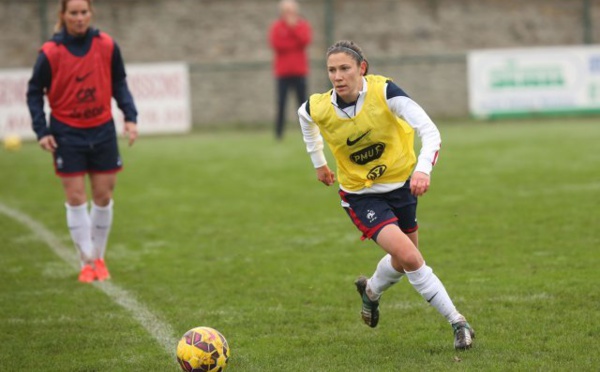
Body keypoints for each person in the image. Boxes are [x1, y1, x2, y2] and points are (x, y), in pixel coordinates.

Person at [297, 40, 475, 350]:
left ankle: (371, 292)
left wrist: (423, 170)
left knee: (403, 259)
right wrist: (319, 164)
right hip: (361, 195)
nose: (337, 76)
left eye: (344, 69)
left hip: (402, 186)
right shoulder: (320, 106)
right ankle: (458, 321)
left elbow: (429, 130)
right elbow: (305, 118)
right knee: (410, 257)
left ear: (361, 68)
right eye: (331, 70)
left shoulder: (385, 92)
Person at [26, 0, 138, 283]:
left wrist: (130, 116)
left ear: (91, 13)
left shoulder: (107, 45)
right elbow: (33, 92)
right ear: (63, 15)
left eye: (83, 12)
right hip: (67, 133)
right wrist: (42, 130)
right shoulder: (51, 52)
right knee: (76, 198)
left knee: (103, 197)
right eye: (73, 13)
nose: (79, 18)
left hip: (102, 130)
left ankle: (98, 258)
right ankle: (86, 262)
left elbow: (119, 82)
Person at [269, 0, 312, 140]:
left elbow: (305, 41)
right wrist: (292, 41)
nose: (289, 14)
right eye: (286, 11)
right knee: (281, 103)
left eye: (291, 10)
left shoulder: (302, 25)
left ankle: (307, 132)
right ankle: (279, 134)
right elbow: (277, 45)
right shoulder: (276, 27)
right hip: (283, 72)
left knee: (302, 104)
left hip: (300, 71)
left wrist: (293, 29)